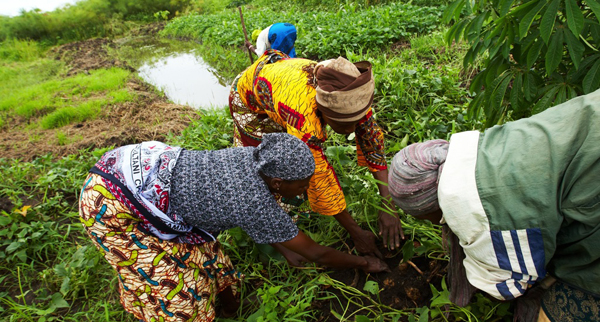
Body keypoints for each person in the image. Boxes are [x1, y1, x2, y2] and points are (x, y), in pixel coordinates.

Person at [78, 133, 389, 322]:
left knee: (206, 256)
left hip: (132, 163)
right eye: (304, 185)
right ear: (278, 181)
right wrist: (364, 262)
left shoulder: (252, 158)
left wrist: (280, 242)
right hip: (111, 203)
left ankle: (228, 306)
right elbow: (315, 254)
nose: (306, 190)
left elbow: (257, 216)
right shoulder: (251, 198)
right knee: (171, 286)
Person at [387, 89, 600, 321]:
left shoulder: (489, 214)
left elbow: (509, 287)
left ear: (429, 207)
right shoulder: (486, 148)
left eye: (423, 217)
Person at [229, 50, 404, 264]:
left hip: (281, 86)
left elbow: (371, 139)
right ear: (323, 110)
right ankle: (274, 229)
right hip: (252, 101)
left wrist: (388, 205)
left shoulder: (350, 93)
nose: (351, 128)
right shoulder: (305, 116)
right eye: (344, 123)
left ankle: (293, 205)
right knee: (271, 171)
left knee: (295, 164)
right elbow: (319, 177)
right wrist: (356, 233)